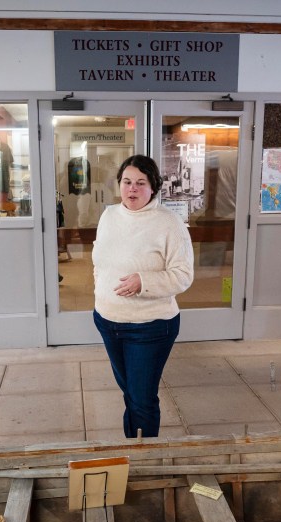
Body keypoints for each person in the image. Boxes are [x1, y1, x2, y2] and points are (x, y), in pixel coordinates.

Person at [92, 155, 194, 438]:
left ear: (154, 187)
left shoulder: (169, 223)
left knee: (141, 399)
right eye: (127, 182)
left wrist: (143, 282)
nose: (132, 189)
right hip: (108, 321)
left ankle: (144, 462)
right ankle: (134, 452)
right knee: (131, 394)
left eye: (140, 183)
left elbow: (183, 275)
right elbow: (99, 261)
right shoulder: (109, 215)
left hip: (149, 327)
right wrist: (101, 295)